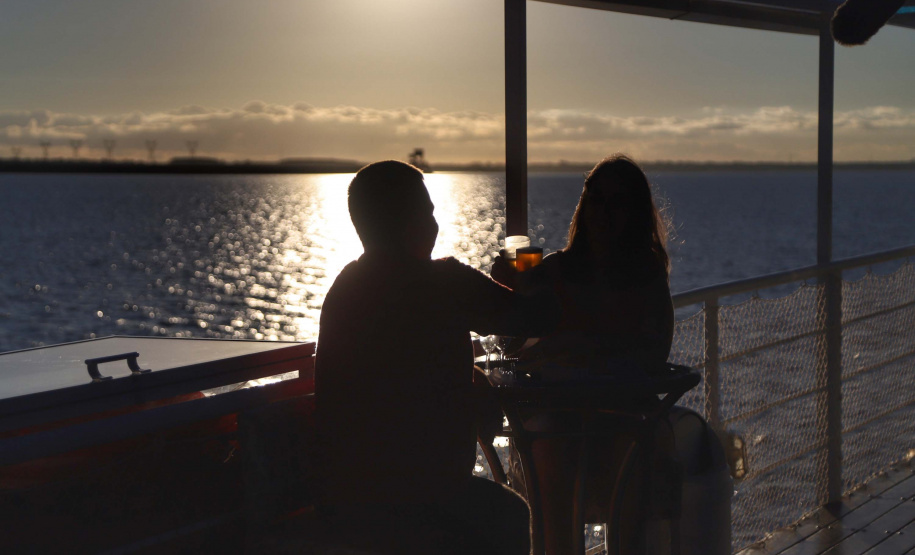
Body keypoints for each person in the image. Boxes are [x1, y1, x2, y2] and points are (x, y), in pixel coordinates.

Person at [314, 160, 560, 555]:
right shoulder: (444, 283)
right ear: (413, 222)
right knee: (510, 514)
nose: (434, 223)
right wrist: (530, 274)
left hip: (348, 497)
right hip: (421, 501)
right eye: (428, 211)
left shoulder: (344, 289)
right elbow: (539, 319)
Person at [493, 154, 675, 555]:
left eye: (616, 202)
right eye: (594, 199)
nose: (602, 212)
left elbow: (655, 351)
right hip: (559, 410)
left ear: (635, 212)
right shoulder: (556, 268)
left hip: (620, 410)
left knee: (624, 446)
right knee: (552, 445)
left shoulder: (645, 275)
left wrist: (586, 347)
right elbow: (511, 339)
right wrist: (509, 287)